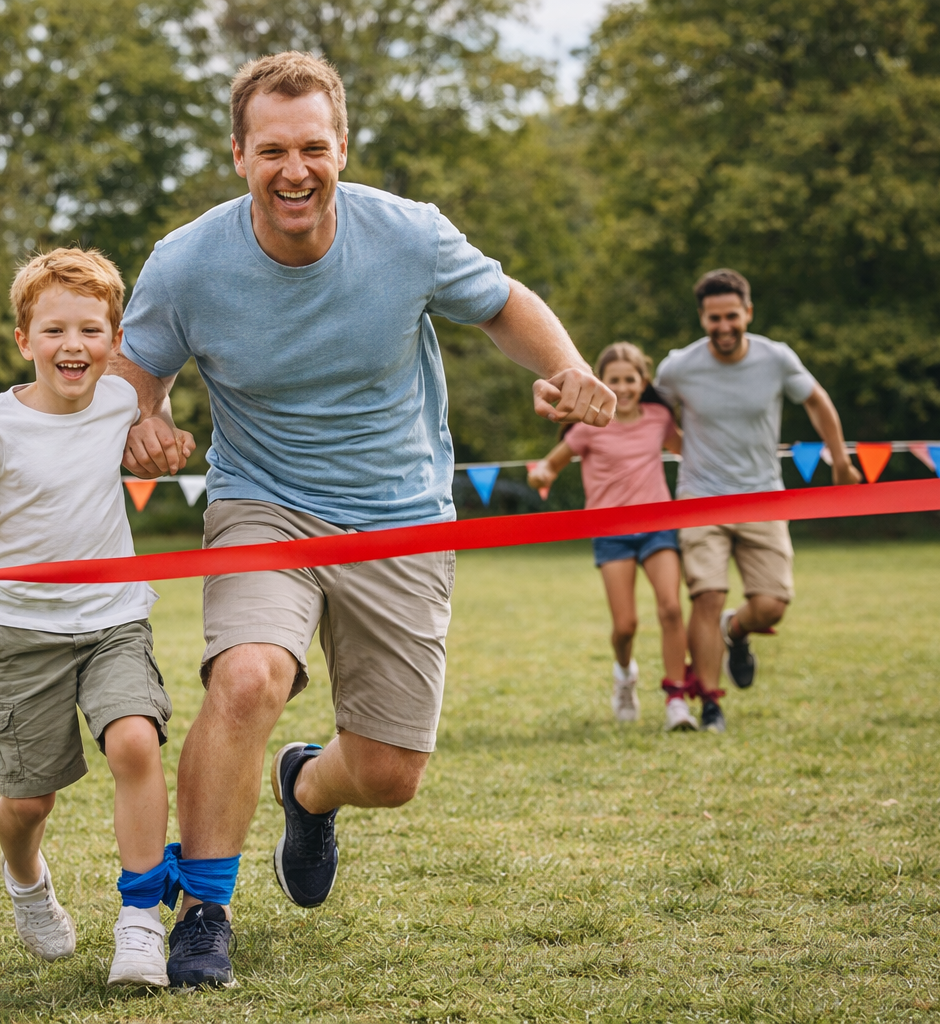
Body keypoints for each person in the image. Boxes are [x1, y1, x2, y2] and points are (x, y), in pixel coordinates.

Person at [111, 51, 617, 988]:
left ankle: (306, 785)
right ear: (238, 155)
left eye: (313, 146)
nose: (293, 169)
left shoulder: (408, 235)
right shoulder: (187, 262)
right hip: (264, 499)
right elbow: (135, 368)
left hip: (400, 512)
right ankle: (203, 910)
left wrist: (567, 367)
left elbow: (503, 305)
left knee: (389, 773)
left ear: (342, 146)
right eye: (272, 150)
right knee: (249, 676)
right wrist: (142, 418)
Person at [0, 248, 190, 987]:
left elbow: (154, 410)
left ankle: (139, 925)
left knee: (136, 741)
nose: (75, 345)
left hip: (114, 620)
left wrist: (164, 429)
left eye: (93, 330)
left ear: (114, 338)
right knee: (28, 801)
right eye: (55, 330)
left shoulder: (117, 400)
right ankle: (26, 880)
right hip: (24, 633)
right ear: (24, 340)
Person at [653, 269, 859, 732]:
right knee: (706, 595)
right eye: (713, 318)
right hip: (700, 499)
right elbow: (653, 415)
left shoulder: (776, 358)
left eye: (731, 316)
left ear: (748, 312)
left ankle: (736, 631)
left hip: (763, 497)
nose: (723, 326)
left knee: (771, 605)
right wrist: (680, 449)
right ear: (701, 318)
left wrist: (841, 463)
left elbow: (817, 400)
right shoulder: (678, 367)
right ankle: (711, 703)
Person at [528, 343, 694, 731]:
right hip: (611, 533)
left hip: (658, 525)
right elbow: (550, 466)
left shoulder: (659, 418)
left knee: (671, 608)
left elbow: (689, 452)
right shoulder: (588, 427)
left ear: (643, 381)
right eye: (614, 379)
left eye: (630, 379)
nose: (624, 386)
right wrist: (541, 476)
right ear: (603, 383)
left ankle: (676, 699)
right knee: (626, 626)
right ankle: (624, 676)